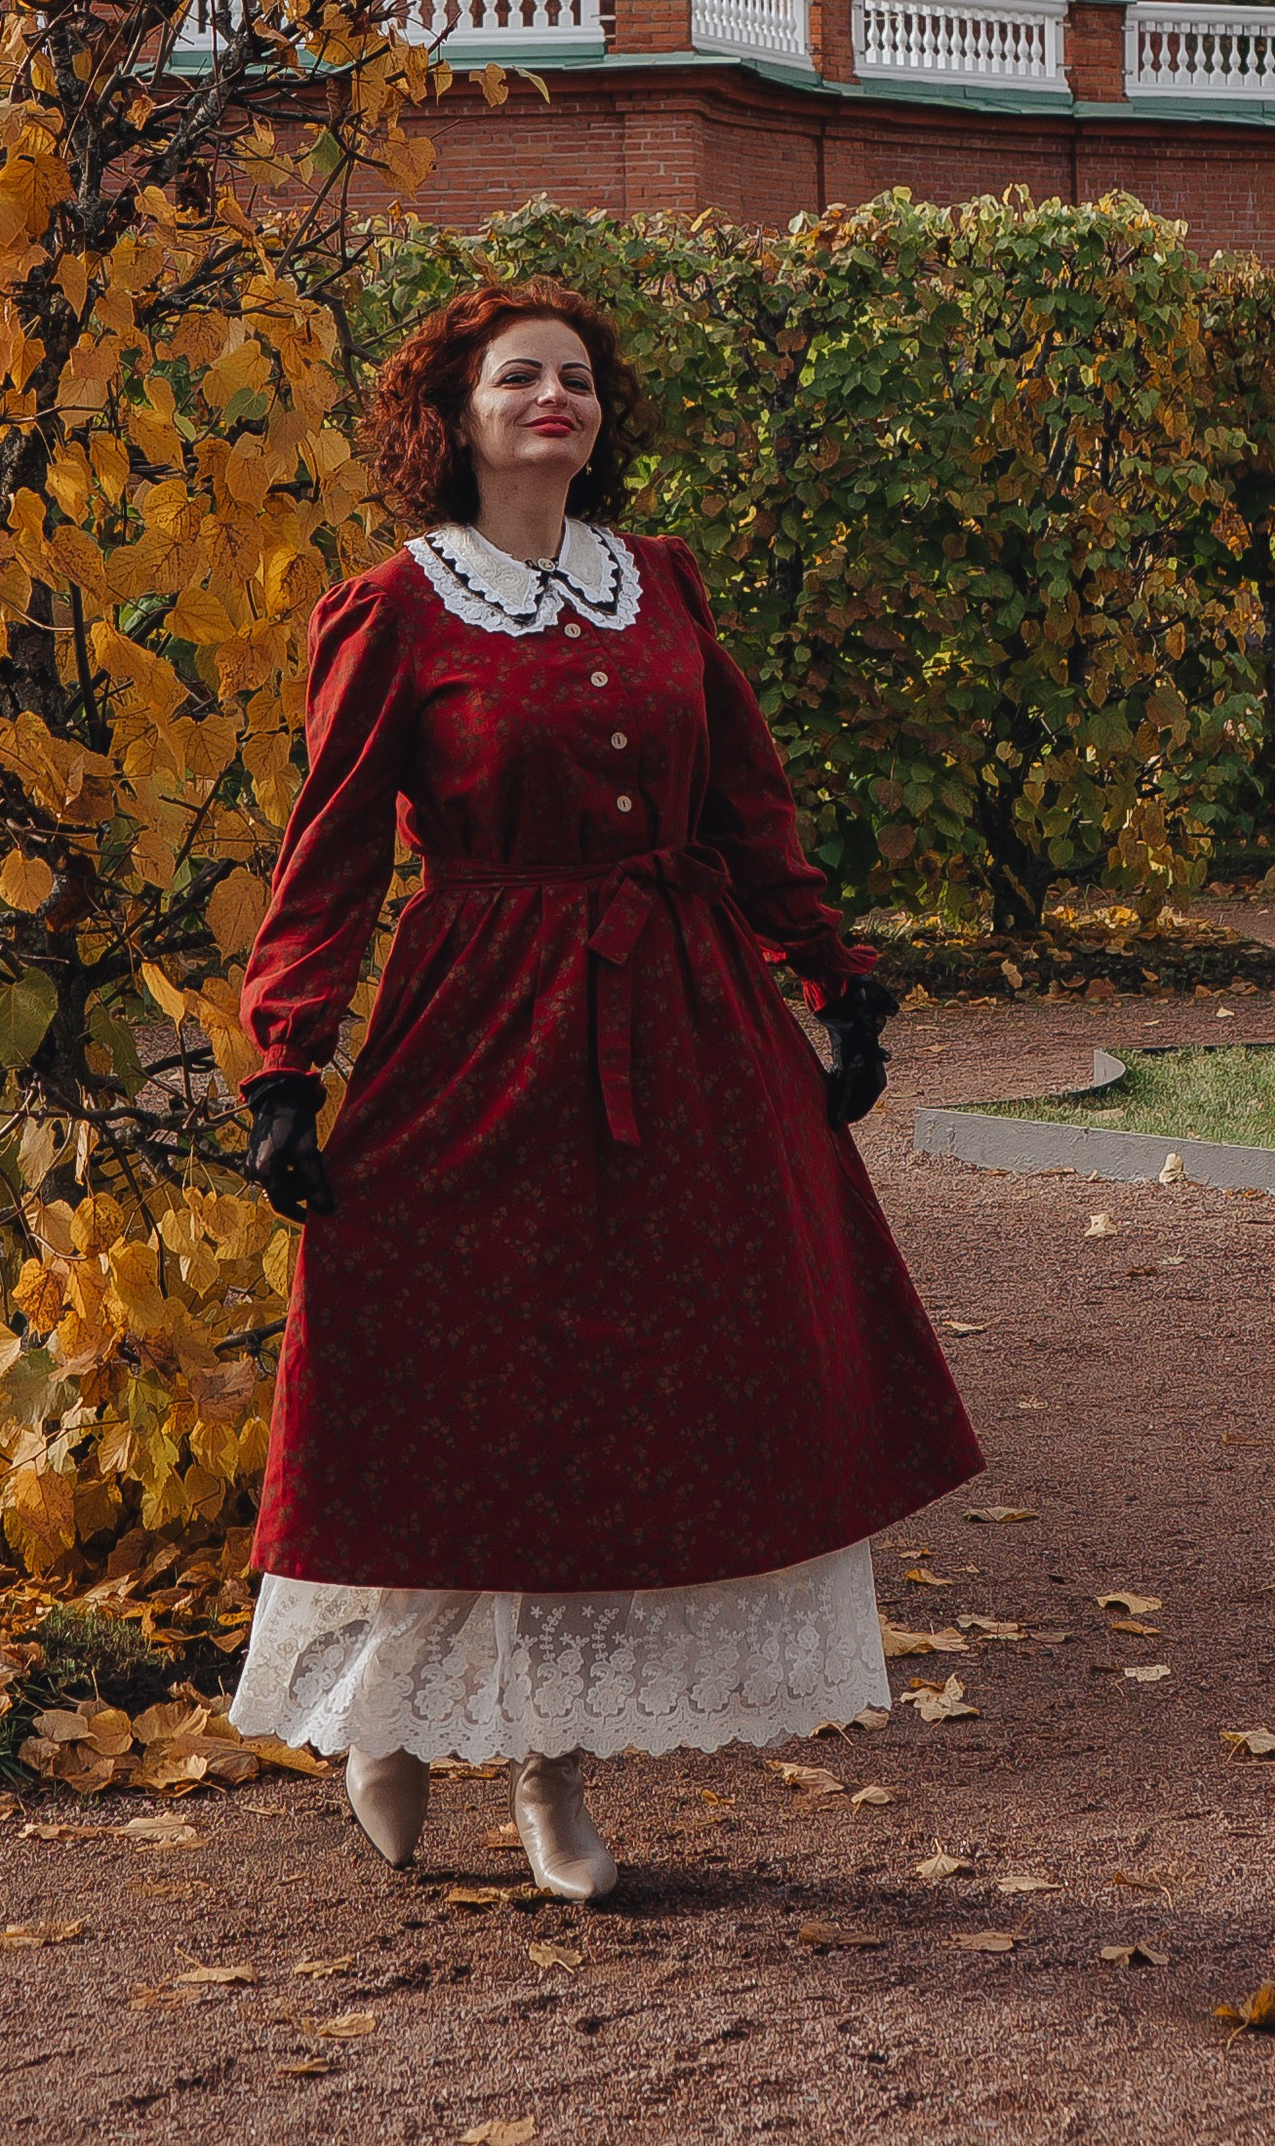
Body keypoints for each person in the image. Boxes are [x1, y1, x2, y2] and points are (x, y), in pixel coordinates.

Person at [224, 281, 983, 1899]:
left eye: (574, 378)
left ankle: (552, 1770)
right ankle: (389, 1719)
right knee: (449, 1382)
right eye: (518, 378)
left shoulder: (660, 584)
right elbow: (331, 857)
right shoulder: (396, 609)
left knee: (630, 1400)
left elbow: (748, 805)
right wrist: (287, 1062)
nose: (552, 397)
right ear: (457, 414)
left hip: (683, 1027)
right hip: (477, 1032)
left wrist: (830, 975)